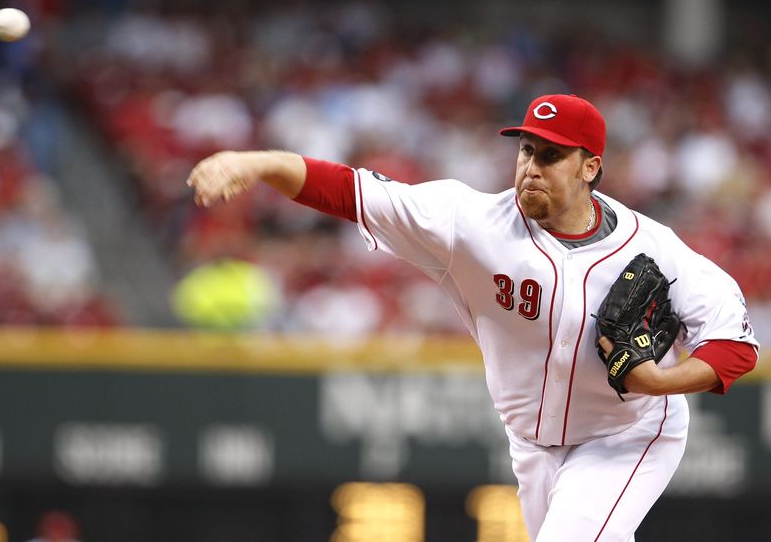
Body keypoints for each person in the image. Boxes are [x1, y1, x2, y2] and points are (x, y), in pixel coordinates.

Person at [186, 93, 759, 541]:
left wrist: (662, 382)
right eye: (526, 150)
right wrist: (259, 161)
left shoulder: (653, 249)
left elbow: (736, 342)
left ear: (590, 167)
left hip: (627, 434)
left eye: (552, 155)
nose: (532, 166)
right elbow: (350, 191)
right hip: (532, 444)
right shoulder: (471, 225)